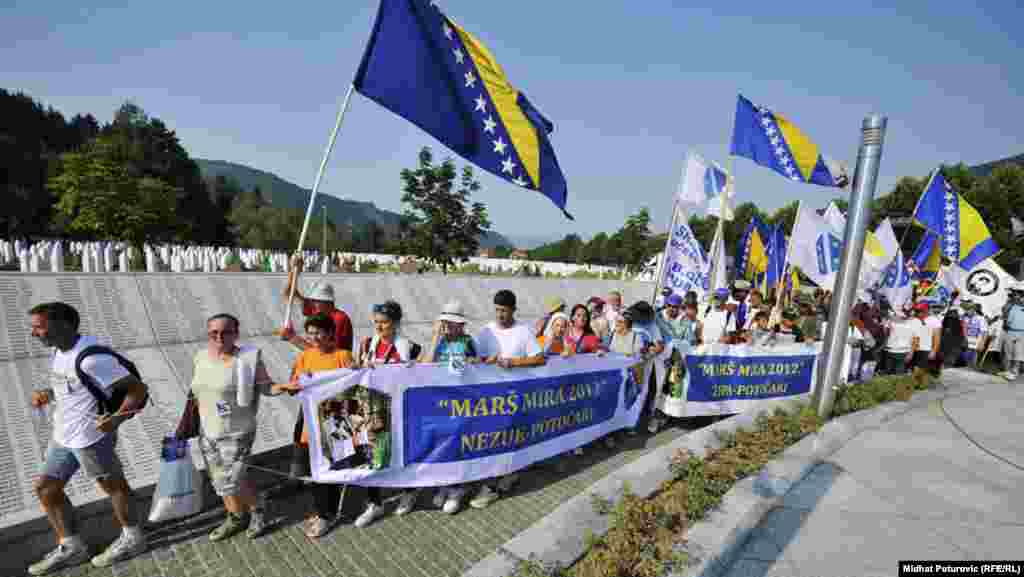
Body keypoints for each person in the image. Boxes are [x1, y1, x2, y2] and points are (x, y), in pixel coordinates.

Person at [27, 302, 150, 574]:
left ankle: (133, 538)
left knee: (113, 487)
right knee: (46, 489)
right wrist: (49, 392)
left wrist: (116, 419)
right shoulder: (60, 350)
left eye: (39, 326)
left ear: (64, 325)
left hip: (91, 437)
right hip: (64, 435)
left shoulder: (92, 358)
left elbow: (138, 390)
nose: (34, 333)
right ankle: (72, 546)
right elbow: (75, 384)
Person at [191, 313, 291, 542]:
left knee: (235, 478)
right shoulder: (200, 357)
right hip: (208, 431)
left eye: (225, 332)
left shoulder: (248, 359)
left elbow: (267, 388)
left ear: (236, 334)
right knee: (219, 480)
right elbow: (197, 392)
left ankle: (257, 510)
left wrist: (286, 386)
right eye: (213, 332)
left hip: (237, 432)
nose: (219, 336)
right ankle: (236, 517)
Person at [471, 290, 545, 509]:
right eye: (497, 310)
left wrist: (513, 363)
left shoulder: (523, 332)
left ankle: (491, 488)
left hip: (513, 397)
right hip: (489, 398)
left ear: (513, 310)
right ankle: (507, 475)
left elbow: (540, 358)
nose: (500, 314)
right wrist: (485, 359)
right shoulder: (487, 330)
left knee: (503, 440)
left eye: (504, 310)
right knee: (493, 439)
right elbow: (476, 356)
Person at [287, 314, 355, 539]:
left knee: (331, 470)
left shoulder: (343, 356)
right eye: (310, 332)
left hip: (335, 424)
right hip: (312, 424)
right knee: (316, 471)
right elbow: (294, 384)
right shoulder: (305, 356)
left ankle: (327, 514)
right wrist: (294, 385)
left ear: (330, 334)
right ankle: (322, 510)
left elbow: (356, 385)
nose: (314, 337)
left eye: (318, 332)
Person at [353, 300, 413, 526]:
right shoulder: (367, 343)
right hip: (370, 410)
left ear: (396, 323)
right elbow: (357, 369)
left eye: (384, 322)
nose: (379, 327)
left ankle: (409, 492)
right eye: (376, 322)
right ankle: (374, 503)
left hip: (395, 412)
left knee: (399, 454)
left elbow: (409, 378)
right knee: (371, 457)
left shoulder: (405, 346)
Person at [419, 301, 479, 514]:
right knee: (441, 444)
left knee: (457, 445)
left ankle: (458, 489)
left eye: (451, 323)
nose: (447, 326)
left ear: (460, 325)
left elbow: (477, 368)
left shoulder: (468, 341)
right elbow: (425, 366)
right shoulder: (439, 342)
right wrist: (435, 338)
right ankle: (444, 484)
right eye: (445, 322)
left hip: (461, 403)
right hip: (439, 402)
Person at [280, 255, 354, 352]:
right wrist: (295, 271)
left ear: (327, 302)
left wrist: (293, 338)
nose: (312, 303)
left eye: (316, 300)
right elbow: (289, 293)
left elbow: (328, 353)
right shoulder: (317, 311)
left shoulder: (340, 319)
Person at [1001, 282, 1024, 380]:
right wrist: (1011, 300)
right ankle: (1007, 371)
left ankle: (1014, 372)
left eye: (1018, 293)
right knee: (1007, 353)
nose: (1015, 295)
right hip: (1009, 331)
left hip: (1021, 332)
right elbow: (1004, 311)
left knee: (1018, 354)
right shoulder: (1009, 304)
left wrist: (1018, 297)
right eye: (1014, 293)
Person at [960, 302, 988, 369]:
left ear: (973, 310)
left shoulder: (980, 318)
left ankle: (971, 367)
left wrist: (982, 343)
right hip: (967, 339)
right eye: (966, 309)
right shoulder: (965, 317)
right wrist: (965, 338)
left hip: (976, 339)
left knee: (972, 354)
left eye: (968, 309)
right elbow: (964, 328)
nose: (966, 311)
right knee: (964, 355)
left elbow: (985, 332)